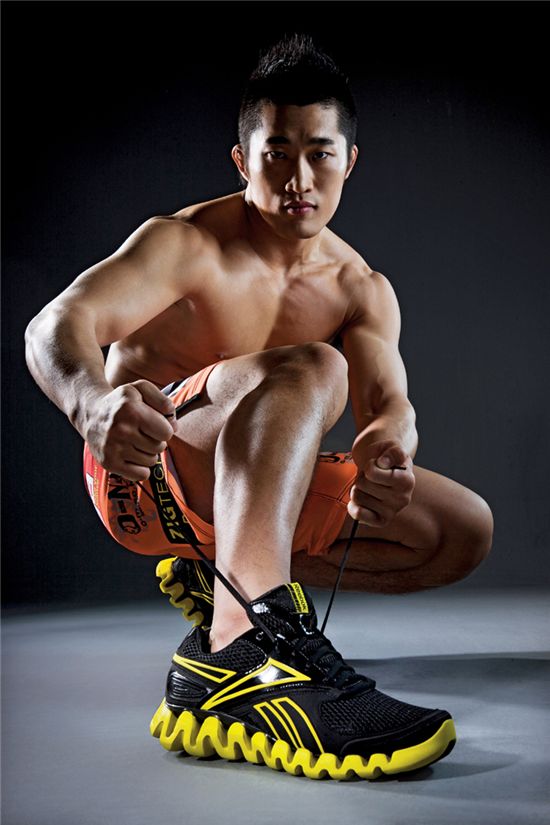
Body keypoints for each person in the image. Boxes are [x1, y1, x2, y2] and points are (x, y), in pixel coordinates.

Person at [24, 32, 493, 780]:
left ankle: (234, 582)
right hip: (145, 479)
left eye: (320, 153)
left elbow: (389, 406)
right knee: (316, 366)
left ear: (348, 162)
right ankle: (239, 649)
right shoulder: (185, 245)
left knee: (460, 530)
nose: (299, 178)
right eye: (277, 153)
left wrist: (388, 450)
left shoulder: (360, 287)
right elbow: (54, 325)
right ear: (243, 161)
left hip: (246, 491)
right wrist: (92, 407)